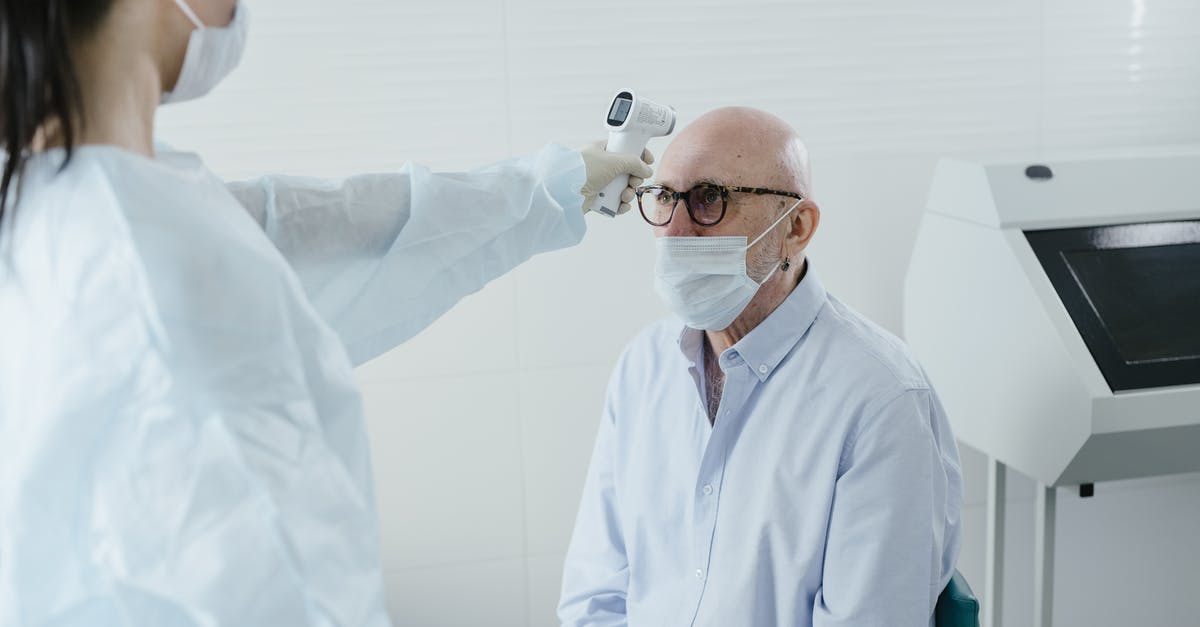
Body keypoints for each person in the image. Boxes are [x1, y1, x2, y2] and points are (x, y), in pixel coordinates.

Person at [0, 0, 652, 624]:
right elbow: (275, 582)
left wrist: (556, 183)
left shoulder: (77, 206)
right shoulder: (146, 281)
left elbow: (343, 226)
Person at [558, 107, 963, 627]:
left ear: (796, 227)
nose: (675, 231)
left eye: (709, 199)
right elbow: (595, 594)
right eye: (663, 198)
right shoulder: (643, 367)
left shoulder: (881, 400)